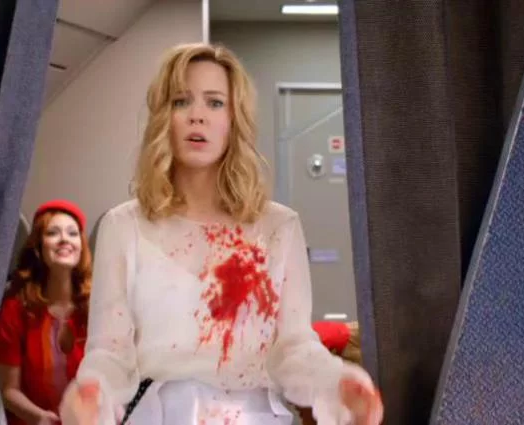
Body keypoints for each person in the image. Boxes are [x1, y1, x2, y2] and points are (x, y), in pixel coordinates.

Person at [59, 43, 383, 425]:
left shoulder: (279, 227)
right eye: (181, 101)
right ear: (163, 116)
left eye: (214, 103)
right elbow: (110, 351)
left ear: (234, 118)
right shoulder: (123, 226)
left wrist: (335, 385)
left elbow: (293, 348)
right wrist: (92, 393)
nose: (197, 115)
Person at [0, 200, 93, 425]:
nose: (64, 239)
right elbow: (8, 390)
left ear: (81, 246)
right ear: (38, 247)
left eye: (72, 233)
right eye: (53, 232)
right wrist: (39, 418)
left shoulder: (97, 307)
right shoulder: (16, 309)